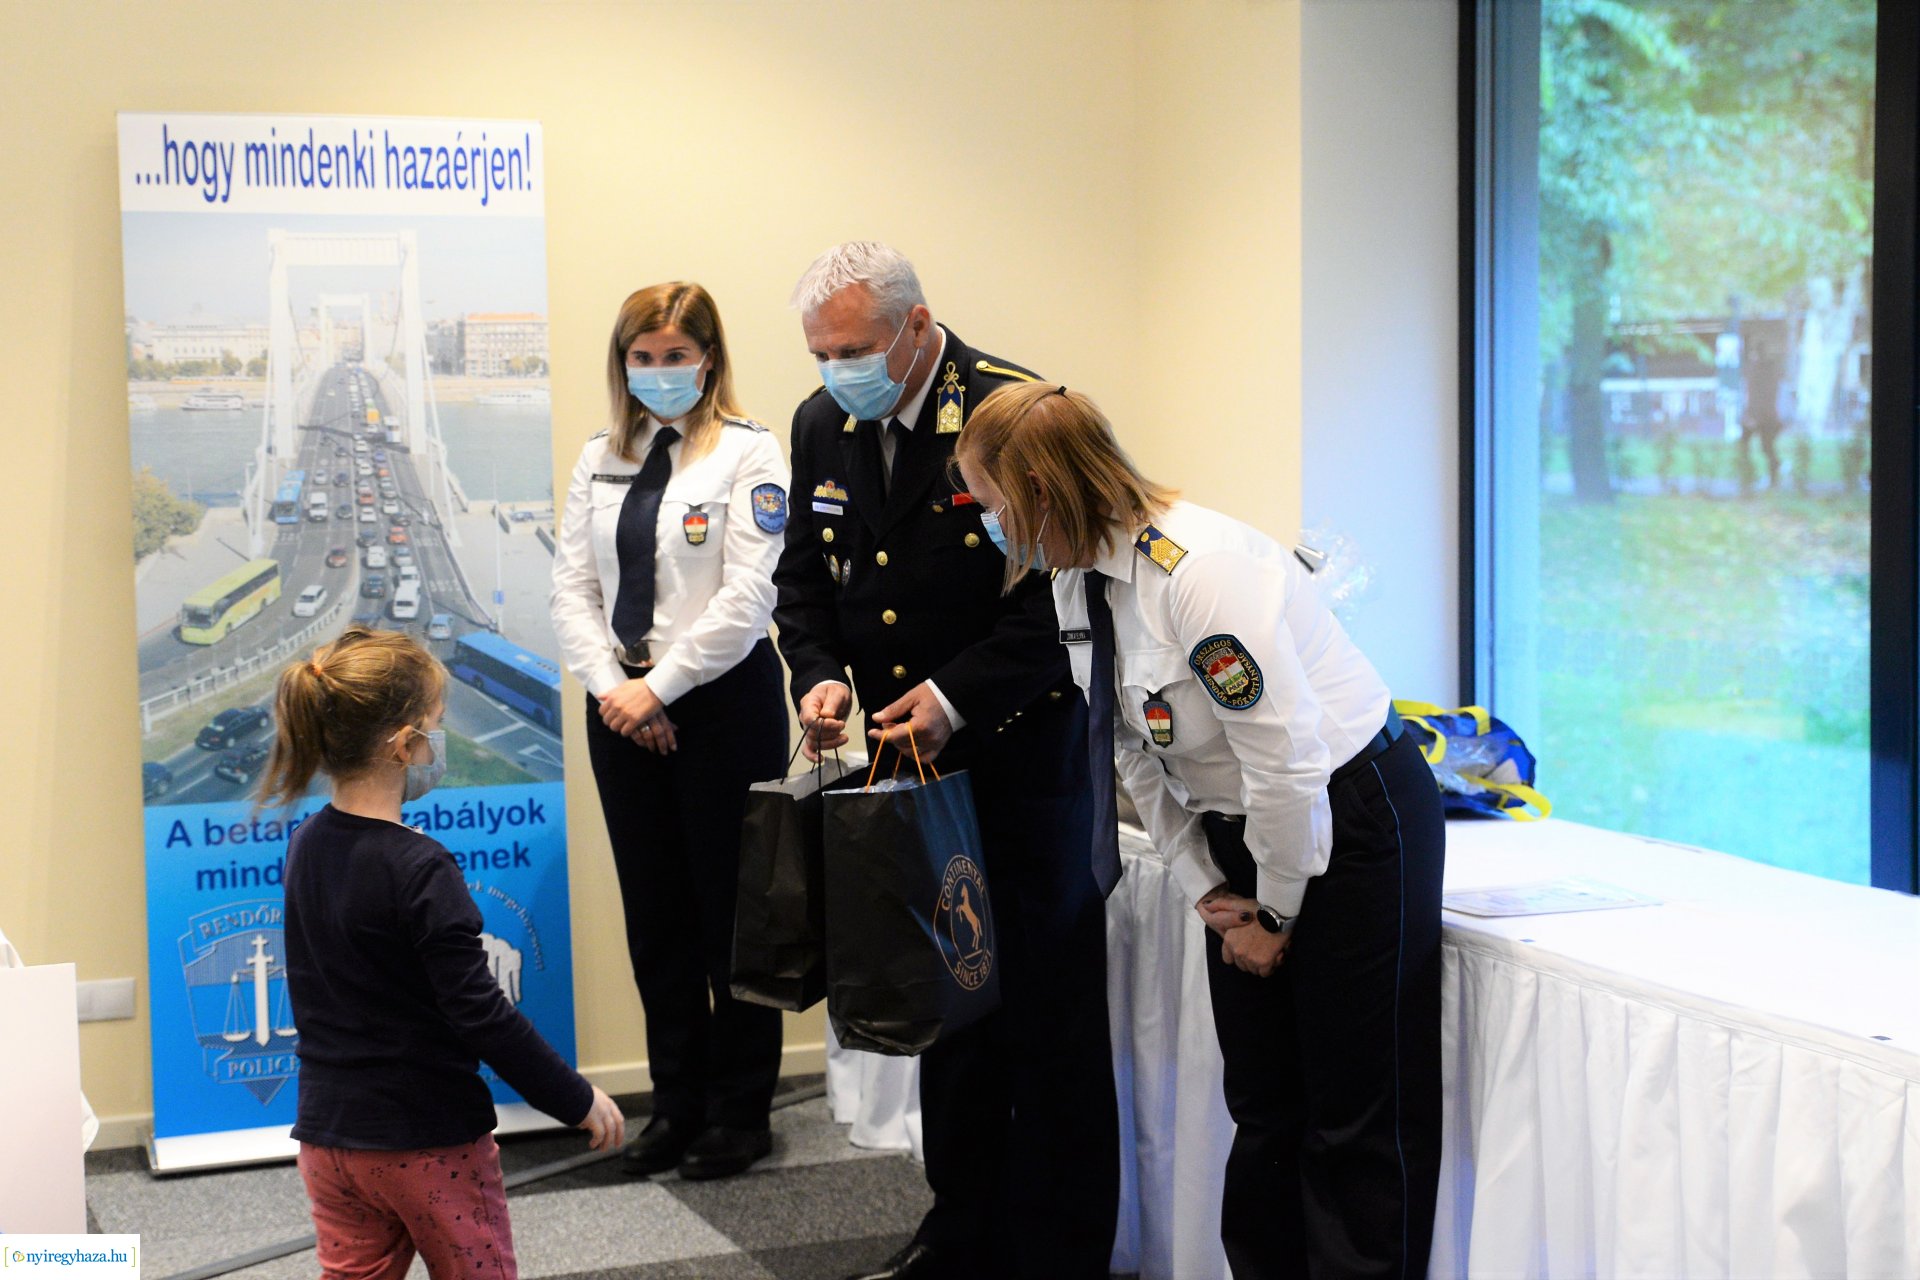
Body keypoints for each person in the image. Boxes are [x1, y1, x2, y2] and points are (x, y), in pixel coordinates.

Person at [955, 384, 1447, 1280]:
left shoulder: (1198, 571)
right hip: (1239, 830)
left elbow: (1289, 760)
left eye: (991, 504)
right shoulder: (1077, 578)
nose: (988, 525)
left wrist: (1279, 914)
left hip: (1347, 812)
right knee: (1262, 1103)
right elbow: (1128, 746)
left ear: (1040, 489)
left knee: (1352, 1113)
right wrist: (1207, 886)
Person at [773, 242, 1118, 1280]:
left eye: (856, 347)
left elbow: (1067, 598)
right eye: (823, 350)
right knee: (952, 1012)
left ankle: (1061, 1250)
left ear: (917, 326)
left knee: (1050, 1026)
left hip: (1020, 767)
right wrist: (819, 673)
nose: (840, 368)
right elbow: (805, 574)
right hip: (908, 778)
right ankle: (960, 1231)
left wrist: (955, 696)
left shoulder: (1014, 411)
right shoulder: (820, 422)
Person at [265, 628, 625, 1279]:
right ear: (404, 747)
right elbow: (482, 1015)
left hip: (326, 1136)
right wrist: (574, 1098)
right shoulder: (421, 867)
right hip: (426, 1139)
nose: (439, 743)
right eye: (434, 727)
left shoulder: (306, 844)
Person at [550, 282, 792, 1180]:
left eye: (674, 357)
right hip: (619, 702)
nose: (657, 373)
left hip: (721, 704)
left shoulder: (751, 454)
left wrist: (664, 690)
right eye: (641, 358)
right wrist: (621, 690)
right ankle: (675, 1104)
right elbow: (571, 590)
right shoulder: (599, 458)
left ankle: (739, 1112)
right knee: (656, 921)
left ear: (709, 359)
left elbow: (748, 596)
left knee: (731, 918)